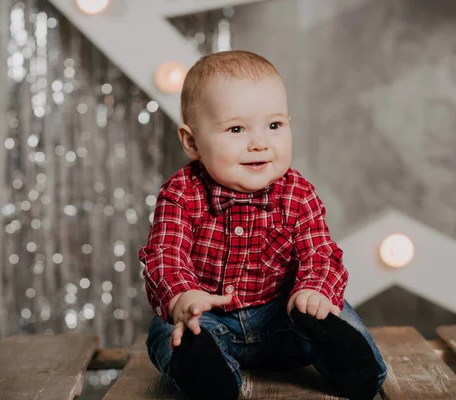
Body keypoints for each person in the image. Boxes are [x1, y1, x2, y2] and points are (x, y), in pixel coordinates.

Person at [139, 50, 387, 400]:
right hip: (212, 322)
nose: (259, 143)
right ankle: (208, 374)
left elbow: (320, 253)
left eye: (274, 125)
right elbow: (165, 253)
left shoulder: (298, 193)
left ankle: (351, 367)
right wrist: (183, 296)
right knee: (168, 331)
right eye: (236, 129)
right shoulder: (181, 193)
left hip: (284, 320)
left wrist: (313, 291)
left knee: (335, 311)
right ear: (192, 142)